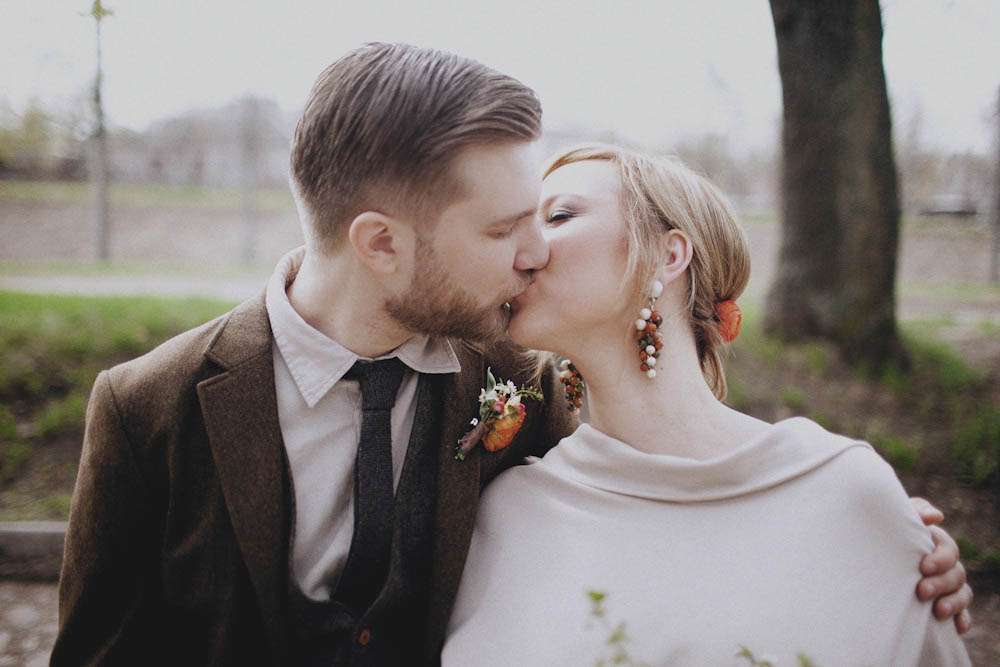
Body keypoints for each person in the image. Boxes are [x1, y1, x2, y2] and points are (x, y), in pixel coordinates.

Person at [51, 44, 969, 666]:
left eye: (550, 216)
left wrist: (877, 540)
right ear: (381, 244)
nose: (532, 253)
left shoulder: (520, 387)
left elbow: (675, 476)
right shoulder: (148, 406)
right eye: (504, 228)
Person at [444, 145, 973, 666]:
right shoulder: (508, 513)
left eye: (559, 216)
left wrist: (899, 544)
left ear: (668, 255)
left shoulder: (842, 491)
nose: (525, 248)